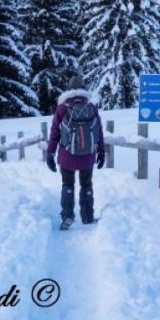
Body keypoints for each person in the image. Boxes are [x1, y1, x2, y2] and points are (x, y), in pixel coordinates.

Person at [46, 76, 105, 229]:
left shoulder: (62, 108)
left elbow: (54, 133)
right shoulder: (91, 107)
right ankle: (87, 217)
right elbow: (99, 130)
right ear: (83, 89)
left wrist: (50, 154)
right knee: (86, 185)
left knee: (67, 184)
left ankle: (67, 217)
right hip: (88, 156)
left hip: (67, 156)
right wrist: (101, 152)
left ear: (69, 90)